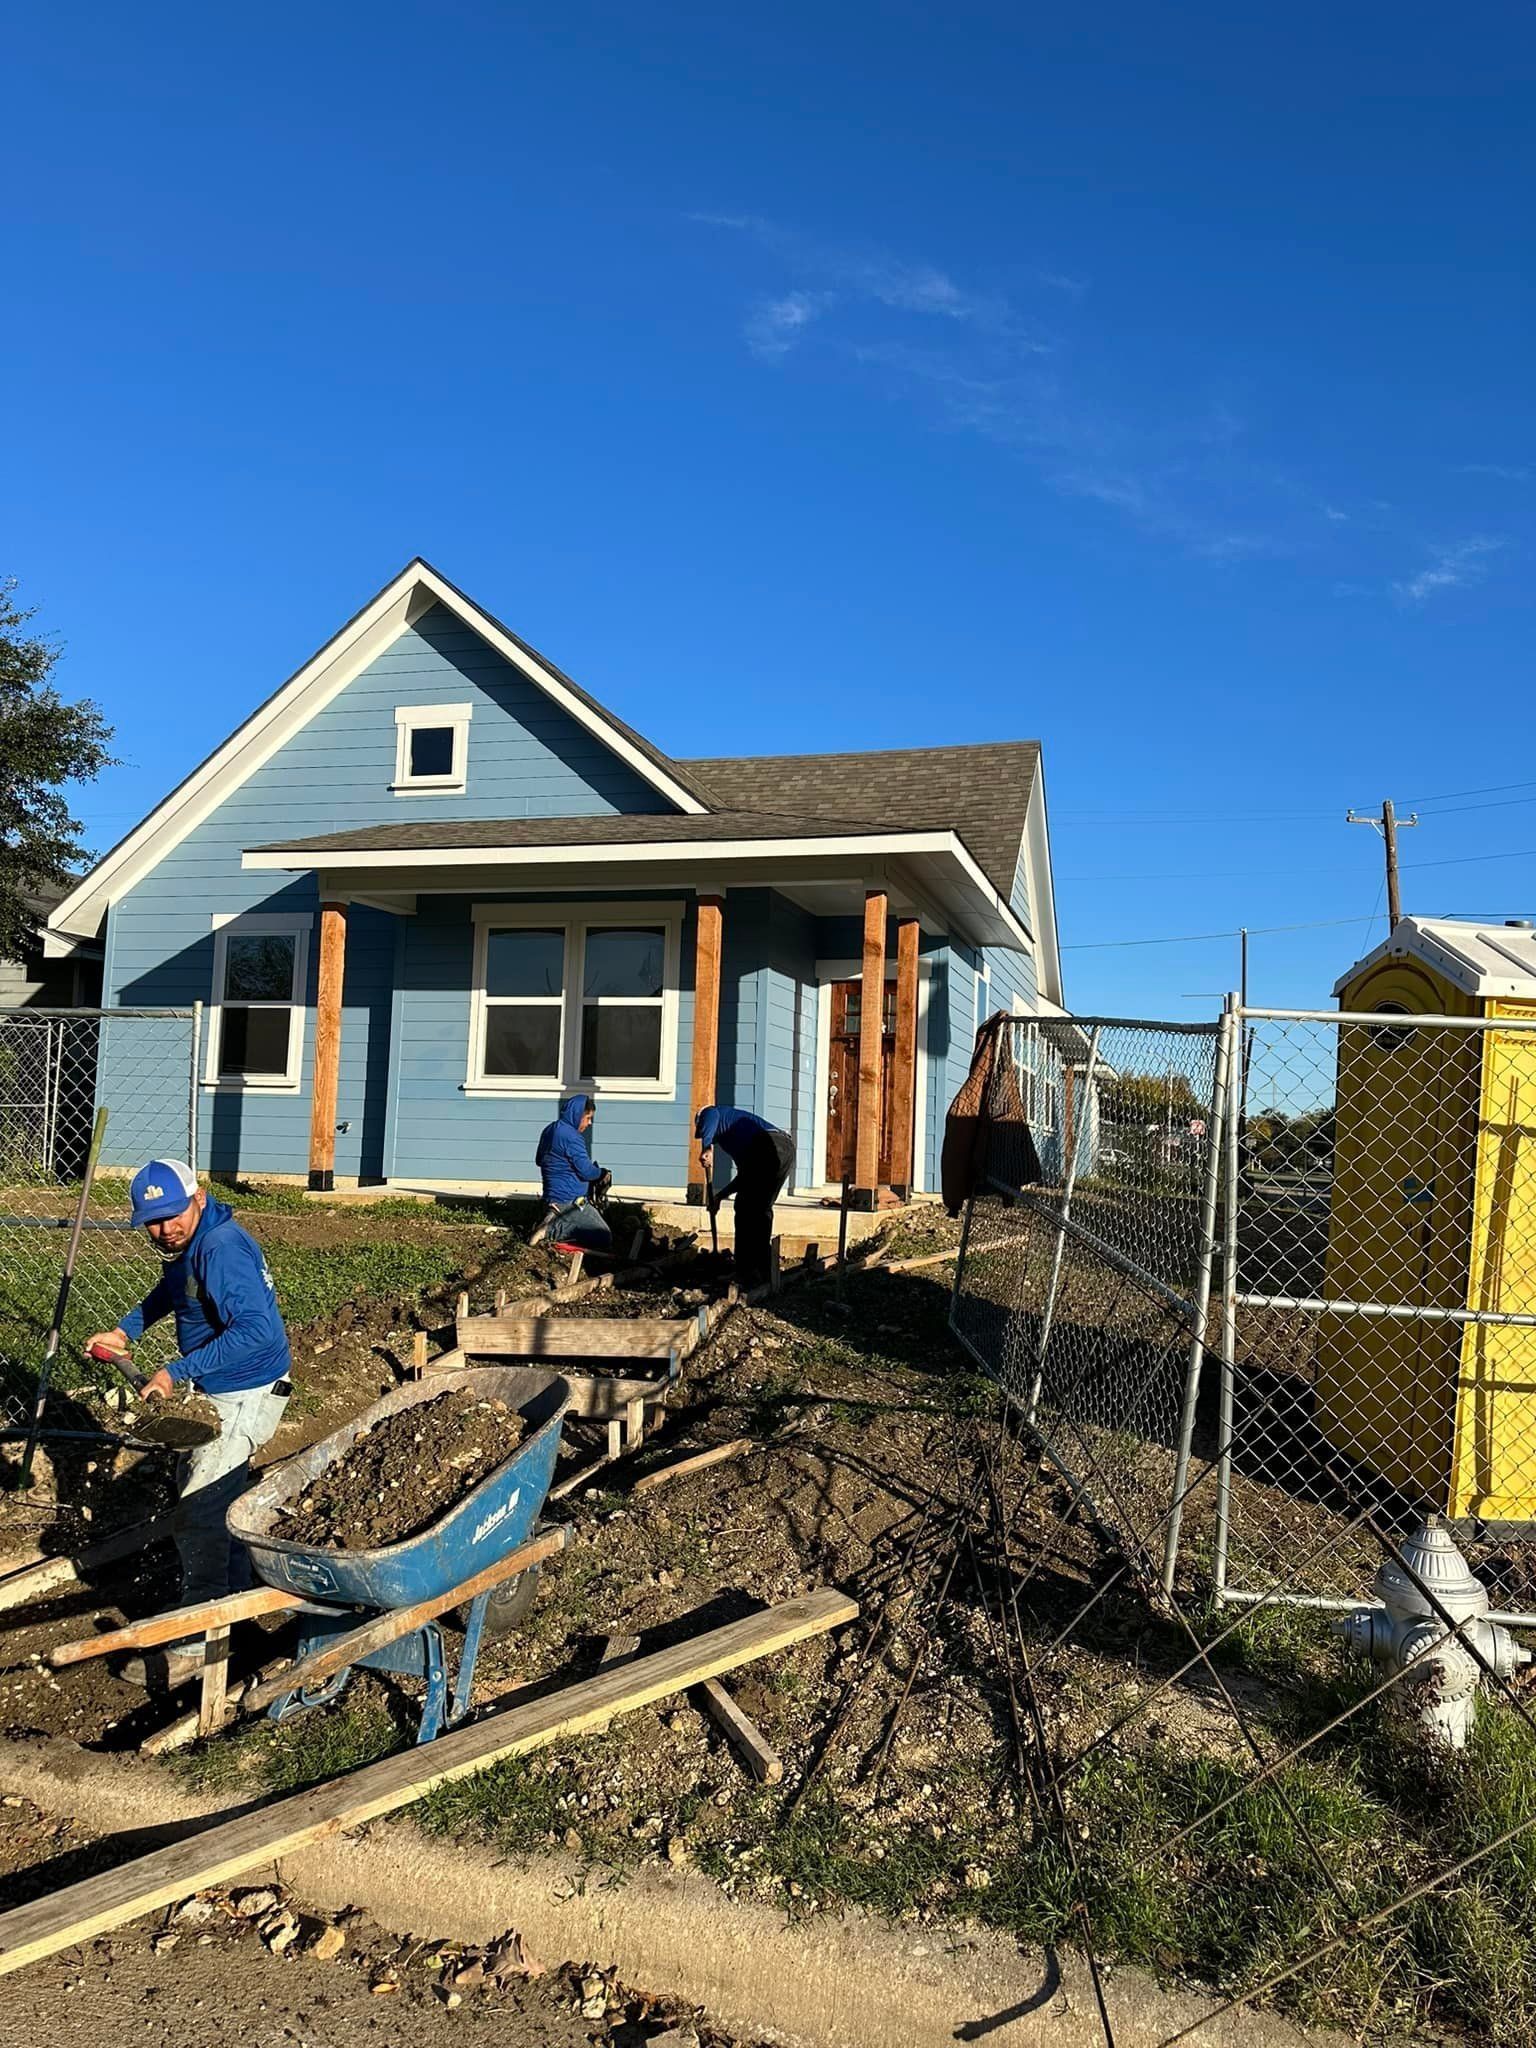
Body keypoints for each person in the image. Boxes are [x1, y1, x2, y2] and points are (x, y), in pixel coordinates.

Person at [86, 1160, 292, 1687]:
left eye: (173, 1215)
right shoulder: (189, 1247)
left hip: (247, 1391)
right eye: (153, 1221)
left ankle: (195, 1639)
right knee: (210, 1496)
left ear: (198, 1198)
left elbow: (259, 1332)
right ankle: (235, 1603)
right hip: (222, 1387)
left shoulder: (221, 1249)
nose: (165, 1229)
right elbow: (172, 1292)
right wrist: (124, 1330)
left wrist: (175, 1372)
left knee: (200, 1509)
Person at [694, 1106, 796, 1289]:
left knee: (745, 1207)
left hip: (768, 1143)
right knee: (759, 1207)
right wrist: (719, 1197)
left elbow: (711, 1116)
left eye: (703, 1132)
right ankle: (762, 1271)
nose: (705, 1135)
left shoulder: (711, 1113)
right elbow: (745, 1176)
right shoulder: (734, 1142)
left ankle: (745, 1271)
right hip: (784, 1149)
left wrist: (706, 1146)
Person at [532, 1095, 613, 1252]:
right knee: (603, 1236)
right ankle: (551, 1229)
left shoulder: (549, 1130)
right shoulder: (571, 1137)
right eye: (588, 1118)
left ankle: (553, 1216)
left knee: (593, 1224)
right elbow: (587, 1172)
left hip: (552, 1196)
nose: (589, 1124)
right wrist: (602, 1173)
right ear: (578, 1115)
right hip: (570, 1200)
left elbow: (539, 1159)